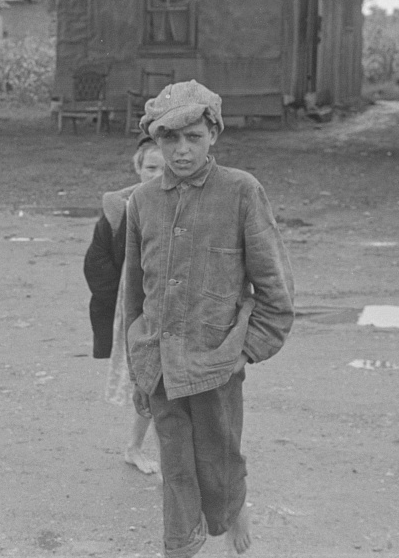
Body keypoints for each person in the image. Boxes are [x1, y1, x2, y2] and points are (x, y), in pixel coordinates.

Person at [123, 80, 295, 556]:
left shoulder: (241, 192)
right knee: (175, 466)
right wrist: (139, 364)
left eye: (193, 138)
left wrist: (243, 350)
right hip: (158, 362)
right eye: (169, 139)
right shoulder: (142, 202)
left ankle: (234, 508)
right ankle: (180, 546)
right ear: (154, 140)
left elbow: (276, 291)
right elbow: (133, 296)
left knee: (218, 465)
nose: (181, 151)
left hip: (215, 366)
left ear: (213, 134)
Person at [84, 136, 165, 476]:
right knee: (154, 383)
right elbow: (96, 264)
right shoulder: (119, 210)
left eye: (166, 167)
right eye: (151, 168)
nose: (158, 175)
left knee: (161, 383)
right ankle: (166, 463)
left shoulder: (185, 204)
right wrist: (125, 303)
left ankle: (140, 448)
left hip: (173, 308)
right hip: (136, 311)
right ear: (137, 168)